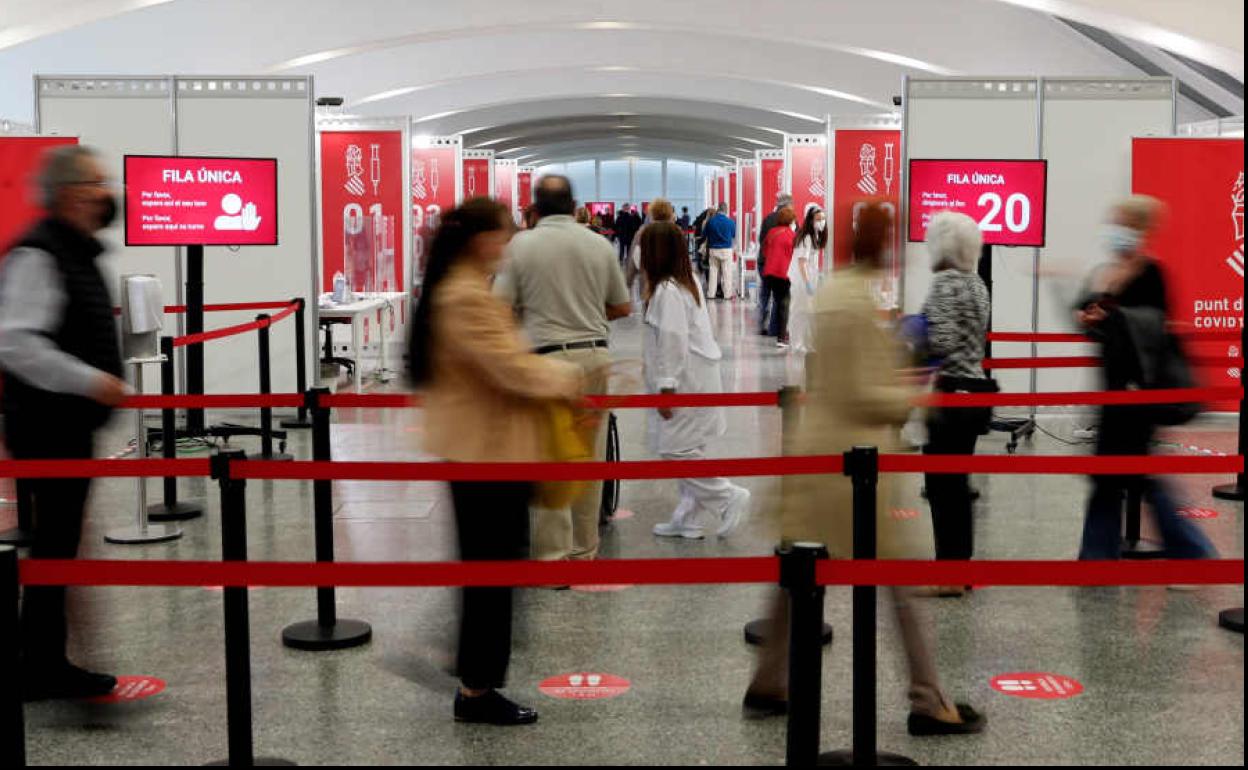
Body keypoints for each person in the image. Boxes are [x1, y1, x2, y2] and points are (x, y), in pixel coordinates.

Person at [744, 202, 985, 737]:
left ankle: (769, 680)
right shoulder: (853, 303)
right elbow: (860, 392)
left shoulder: (838, 293)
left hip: (820, 455)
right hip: (853, 467)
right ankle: (929, 697)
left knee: (796, 573)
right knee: (896, 577)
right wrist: (908, 392)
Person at [410, 197, 582, 725]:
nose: (508, 246)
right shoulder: (464, 297)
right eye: (503, 235)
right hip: (486, 453)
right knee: (490, 572)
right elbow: (508, 368)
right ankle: (476, 690)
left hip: (488, 448)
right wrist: (570, 380)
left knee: (494, 568)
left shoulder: (462, 290)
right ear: (480, 240)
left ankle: (472, 670)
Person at [0, 145, 128, 701]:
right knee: (54, 547)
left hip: (65, 425)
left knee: (60, 545)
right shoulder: (39, 254)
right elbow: (15, 341)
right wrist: (89, 380)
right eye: (98, 184)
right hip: (46, 425)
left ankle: (42, 658)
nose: (107, 194)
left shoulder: (75, 250)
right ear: (73, 192)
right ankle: (43, 665)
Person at [494, 175, 631, 562]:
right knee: (590, 456)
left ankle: (551, 557)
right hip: (593, 358)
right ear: (575, 206)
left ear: (534, 209)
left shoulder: (522, 245)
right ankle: (584, 550)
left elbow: (500, 307)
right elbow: (622, 307)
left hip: (545, 361)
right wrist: (585, 313)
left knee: (548, 456)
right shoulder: (597, 243)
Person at [1074, 196, 1216, 565]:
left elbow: (1153, 327)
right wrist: (1088, 315)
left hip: (1139, 393)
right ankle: (1183, 550)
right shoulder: (1107, 272)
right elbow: (1088, 313)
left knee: (1121, 476)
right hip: (1114, 391)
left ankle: (1186, 550)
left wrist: (1109, 315)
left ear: (1138, 230)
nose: (1114, 231)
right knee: (1127, 475)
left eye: (1121, 223)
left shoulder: (1152, 273)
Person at [639, 221, 750, 538]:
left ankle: (727, 496)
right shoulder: (686, 282)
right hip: (698, 375)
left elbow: (673, 341)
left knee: (675, 449)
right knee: (691, 447)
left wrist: (666, 387)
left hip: (687, 381)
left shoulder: (668, 291)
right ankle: (688, 518)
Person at [918, 212, 993, 597]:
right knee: (958, 483)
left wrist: (913, 333)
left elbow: (940, 344)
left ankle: (947, 572)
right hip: (975, 391)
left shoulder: (944, 284)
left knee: (941, 485)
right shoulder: (977, 283)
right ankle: (959, 566)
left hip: (949, 394)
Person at [787, 205, 825, 355]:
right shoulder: (806, 238)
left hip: (808, 278)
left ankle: (805, 342)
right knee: (799, 311)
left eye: (823, 219)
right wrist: (808, 283)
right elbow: (802, 263)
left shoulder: (815, 236)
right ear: (810, 220)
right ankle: (796, 343)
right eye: (818, 219)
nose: (821, 222)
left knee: (807, 311)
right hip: (801, 279)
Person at [756, 193, 793, 335]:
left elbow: (761, 241)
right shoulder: (789, 221)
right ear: (787, 205)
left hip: (764, 263)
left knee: (765, 295)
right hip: (778, 265)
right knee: (779, 297)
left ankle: (761, 326)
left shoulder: (768, 219)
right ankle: (774, 329)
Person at [629, 198, 676, 305]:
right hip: (669, 280)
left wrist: (628, 281)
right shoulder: (675, 231)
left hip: (648, 279)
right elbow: (683, 257)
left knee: (649, 308)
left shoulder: (642, 232)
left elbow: (632, 259)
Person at [703, 201, 737, 300]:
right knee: (727, 273)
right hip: (726, 249)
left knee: (713, 273)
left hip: (714, 249)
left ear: (718, 209)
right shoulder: (731, 222)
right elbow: (733, 235)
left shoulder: (711, 221)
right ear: (726, 210)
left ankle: (711, 294)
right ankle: (727, 295)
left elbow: (704, 234)